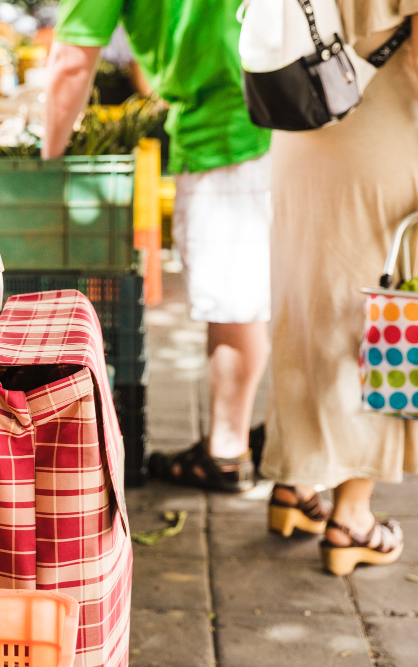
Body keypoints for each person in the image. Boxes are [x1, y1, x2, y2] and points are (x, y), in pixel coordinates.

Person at [261, 1, 418, 575]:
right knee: (381, 322)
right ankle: (351, 518)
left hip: (303, 124)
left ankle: (295, 485)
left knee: (309, 307)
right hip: (385, 142)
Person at [45, 0, 272, 493]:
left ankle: (228, 453)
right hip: (285, 113)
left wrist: (48, 159)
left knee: (235, 305)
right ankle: (281, 449)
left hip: (229, 129)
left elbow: (71, 60)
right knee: (263, 296)